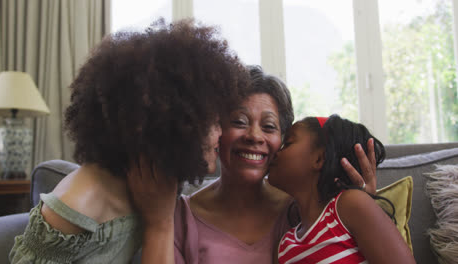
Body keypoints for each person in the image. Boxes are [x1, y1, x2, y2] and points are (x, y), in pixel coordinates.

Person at [9, 19, 248, 263]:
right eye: (214, 122)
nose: (222, 133)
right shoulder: (75, 210)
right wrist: (160, 224)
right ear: (172, 122)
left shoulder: (163, 181)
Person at [150, 65, 379, 263]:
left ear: (283, 142)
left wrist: (365, 207)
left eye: (269, 127)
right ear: (216, 130)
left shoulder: (307, 209)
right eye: (239, 122)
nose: (254, 136)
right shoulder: (180, 216)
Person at [268, 115, 416, 263]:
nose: (276, 152)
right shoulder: (284, 248)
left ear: (320, 158)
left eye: (287, 143)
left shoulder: (349, 205)